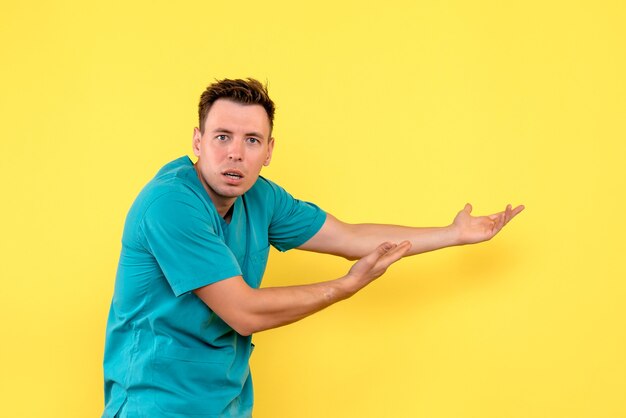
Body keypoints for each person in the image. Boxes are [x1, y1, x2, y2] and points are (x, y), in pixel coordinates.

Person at [102, 78, 524, 417]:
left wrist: (452, 233)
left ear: (268, 151)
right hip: (155, 403)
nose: (235, 154)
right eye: (222, 137)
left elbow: (350, 238)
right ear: (197, 142)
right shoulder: (170, 204)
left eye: (251, 140)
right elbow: (243, 311)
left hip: (224, 401)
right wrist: (344, 287)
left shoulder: (261, 197)